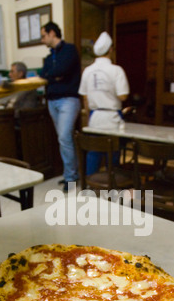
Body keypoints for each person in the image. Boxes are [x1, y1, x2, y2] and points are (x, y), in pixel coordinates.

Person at [78, 32, 130, 175]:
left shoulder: (87, 71)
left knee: (93, 153)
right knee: (112, 152)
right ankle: (111, 186)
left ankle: (90, 186)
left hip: (95, 117)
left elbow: (85, 98)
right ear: (111, 50)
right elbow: (123, 96)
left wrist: (89, 116)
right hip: (112, 117)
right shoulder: (116, 70)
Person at [40, 22, 81, 192]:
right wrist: (53, 75)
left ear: (51, 33)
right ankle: (71, 174)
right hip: (52, 100)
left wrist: (54, 75)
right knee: (64, 139)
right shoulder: (49, 58)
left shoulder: (70, 50)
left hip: (68, 100)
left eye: (43, 36)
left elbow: (62, 70)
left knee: (64, 138)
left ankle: (70, 178)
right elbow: (45, 75)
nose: (42, 40)